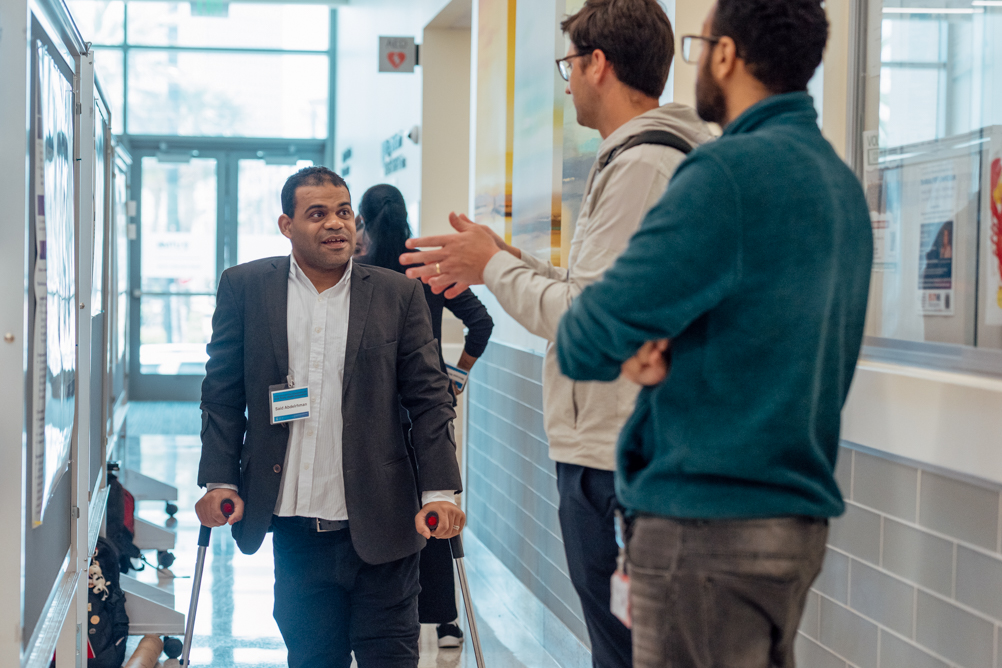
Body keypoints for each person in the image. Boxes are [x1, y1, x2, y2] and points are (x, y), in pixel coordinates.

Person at [554, 0, 873, 666]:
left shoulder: (724, 175)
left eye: (701, 47)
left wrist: (640, 341)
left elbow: (586, 336)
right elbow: (760, 331)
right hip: (793, 527)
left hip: (703, 528)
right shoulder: (840, 187)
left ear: (726, 55)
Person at [400, 1, 712, 666]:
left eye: (569, 63)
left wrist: (493, 266)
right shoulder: (638, 159)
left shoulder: (642, 166)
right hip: (617, 451)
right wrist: (500, 259)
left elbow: (586, 321)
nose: (566, 80)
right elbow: (591, 291)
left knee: (624, 649)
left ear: (598, 64)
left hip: (615, 457)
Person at [195, 166, 465, 668]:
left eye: (343, 212)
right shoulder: (246, 288)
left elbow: (430, 400)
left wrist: (441, 493)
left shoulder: (395, 295)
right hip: (297, 533)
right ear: (286, 224)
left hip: (385, 528)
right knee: (313, 658)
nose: (335, 224)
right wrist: (218, 480)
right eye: (316, 214)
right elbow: (223, 394)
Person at [357, 183, 493, 648]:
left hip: (371, 406)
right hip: (428, 404)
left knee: (377, 504)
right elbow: (482, 323)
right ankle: (447, 621)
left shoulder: (358, 272)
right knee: (435, 502)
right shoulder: (426, 267)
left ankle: (386, 609)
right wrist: (456, 376)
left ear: (362, 220)